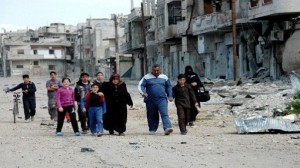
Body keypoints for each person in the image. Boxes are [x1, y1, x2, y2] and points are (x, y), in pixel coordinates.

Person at [138, 64, 174, 135]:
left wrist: (170, 95)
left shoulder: (164, 77)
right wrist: (143, 93)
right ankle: (152, 129)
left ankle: (167, 128)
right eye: (154, 71)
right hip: (150, 100)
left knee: (164, 114)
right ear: (152, 70)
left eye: (157, 70)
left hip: (162, 99)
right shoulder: (146, 77)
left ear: (160, 70)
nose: (156, 72)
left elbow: (168, 87)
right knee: (152, 114)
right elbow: (140, 85)